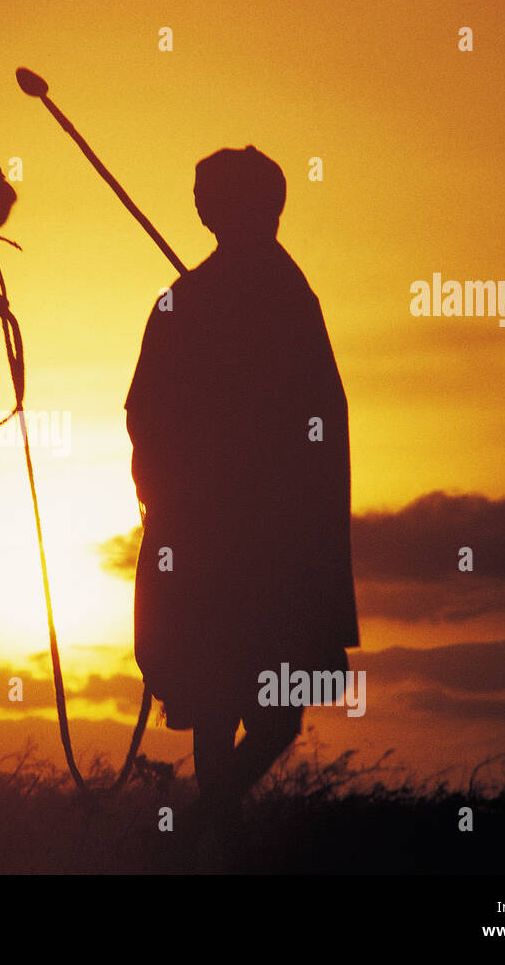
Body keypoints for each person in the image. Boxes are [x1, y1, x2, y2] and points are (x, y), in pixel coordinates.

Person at [125, 146, 359, 848]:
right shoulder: (213, 299)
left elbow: (147, 413)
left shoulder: (225, 299)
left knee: (238, 698)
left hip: (250, 537)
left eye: (209, 195)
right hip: (238, 536)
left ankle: (204, 824)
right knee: (221, 695)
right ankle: (212, 833)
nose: (200, 205)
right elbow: (147, 412)